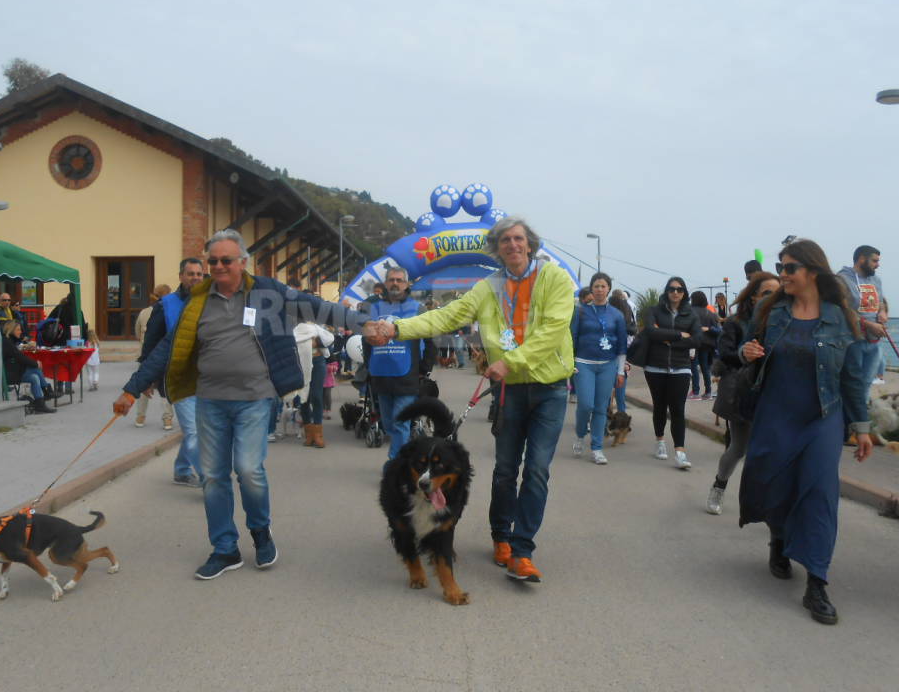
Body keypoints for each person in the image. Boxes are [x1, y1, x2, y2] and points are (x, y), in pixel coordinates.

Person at [113, 228, 367, 580]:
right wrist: (131, 389)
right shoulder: (198, 302)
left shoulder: (268, 293)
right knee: (214, 477)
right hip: (210, 401)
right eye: (212, 261)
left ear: (242, 262)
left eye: (225, 260)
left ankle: (261, 533)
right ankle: (224, 548)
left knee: (248, 470)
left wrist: (366, 323)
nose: (217, 266)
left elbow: (319, 308)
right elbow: (167, 348)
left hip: (255, 399)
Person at [366, 217, 574, 584]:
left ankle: (523, 551)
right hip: (509, 391)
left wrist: (510, 361)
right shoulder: (488, 287)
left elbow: (554, 330)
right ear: (497, 248)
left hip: (550, 389)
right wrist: (398, 327)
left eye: (518, 238)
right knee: (506, 470)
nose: (512, 244)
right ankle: (502, 538)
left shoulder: (554, 279)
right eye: (505, 240)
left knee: (537, 470)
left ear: (530, 244)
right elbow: (448, 316)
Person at [739, 239, 873, 625]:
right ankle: (779, 539)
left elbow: (852, 380)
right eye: (781, 268)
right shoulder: (771, 311)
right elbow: (744, 350)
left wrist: (861, 428)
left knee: (819, 494)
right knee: (775, 484)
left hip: (822, 417)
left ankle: (817, 582)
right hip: (775, 412)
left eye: (790, 268)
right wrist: (748, 352)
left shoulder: (841, 318)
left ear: (812, 271)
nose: (782, 275)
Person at [706, 271, 779, 515]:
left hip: (775, 395)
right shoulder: (737, 323)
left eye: (778, 293)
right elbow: (724, 354)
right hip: (742, 391)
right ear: (753, 298)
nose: (773, 298)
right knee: (739, 448)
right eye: (767, 293)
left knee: (774, 450)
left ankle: (769, 501)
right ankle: (719, 484)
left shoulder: (786, 323)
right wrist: (742, 354)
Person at [362, 266, 437, 464]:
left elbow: (430, 340)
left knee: (400, 421)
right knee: (388, 425)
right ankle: (407, 459)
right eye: (391, 280)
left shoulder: (417, 308)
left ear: (407, 284)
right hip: (381, 375)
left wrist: (424, 368)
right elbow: (366, 340)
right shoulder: (373, 309)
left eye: (399, 280)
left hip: (407, 375)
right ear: (386, 283)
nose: (395, 283)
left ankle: (396, 464)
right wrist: (369, 365)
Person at [139, 261, 205, 484]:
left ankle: (182, 469)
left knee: (201, 429)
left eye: (199, 274)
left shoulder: (209, 302)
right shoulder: (165, 305)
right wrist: (145, 378)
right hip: (176, 378)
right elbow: (151, 344)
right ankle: (211, 480)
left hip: (206, 378)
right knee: (195, 431)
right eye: (190, 274)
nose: (195, 278)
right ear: (181, 276)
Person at [641, 277, 701, 469]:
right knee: (659, 405)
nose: (676, 292)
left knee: (677, 408)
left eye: (680, 289)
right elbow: (650, 331)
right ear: (666, 291)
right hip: (655, 366)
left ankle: (680, 452)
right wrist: (678, 335)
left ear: (684, 293)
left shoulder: (691, 314)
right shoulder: (654, 310)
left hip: (681, 366)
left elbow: (697, 339)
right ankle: (660, 440)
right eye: (672, 289)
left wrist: (666, 338)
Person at [570, 272, 627, 465]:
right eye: (596, 286)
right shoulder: (580, 311)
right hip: (583, 363)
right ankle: (579, 435)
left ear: (609, 289)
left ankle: (596, 448)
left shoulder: (617, 315)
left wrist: (620, 371)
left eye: (603, 286)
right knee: (586, 405)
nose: (600, 290)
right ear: (591, 289)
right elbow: (572, 338)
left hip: (607, 365)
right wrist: (571, 363)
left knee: (601, 408)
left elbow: (621, 346)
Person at [836, 245, 888, 397]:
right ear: (861, 259)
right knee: (851, 383)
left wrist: (883, 311)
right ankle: (850, 418)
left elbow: (881, 302)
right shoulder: (842, 279)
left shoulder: (876, 280)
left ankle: (861, 416)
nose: (877, 264)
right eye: (874, 261)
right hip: (852, 340)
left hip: (874, 341)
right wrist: (868, 324)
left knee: (866, 383)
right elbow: (842, 309)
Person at [134, 284, 174, 431]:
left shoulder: (144, 312)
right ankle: (167, 419)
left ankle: (140, 417)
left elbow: (138, 333)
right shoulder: (169, 310)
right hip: (164, 355)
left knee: (143, 386)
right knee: (165, 388)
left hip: (146, 355)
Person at [1, 319, 55, 414]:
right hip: (9, 374)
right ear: (11, 330)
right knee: (35, 368)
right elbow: (20, 357)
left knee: (34, 378)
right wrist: (36, 363)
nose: (21, 331)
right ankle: (47, 391)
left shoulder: (9, 340)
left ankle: (41, 403)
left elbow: (18, 353)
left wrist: (25, 346)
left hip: (13, 371)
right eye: (18, 329)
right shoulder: (7, 342)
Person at [688, 291, 720, 401]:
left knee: (694, 367)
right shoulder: (710, 313)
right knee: (705, 367)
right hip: (707, 344)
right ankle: (708, 392)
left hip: (694, 343)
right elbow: (718, 330)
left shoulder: (691, 312)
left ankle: (695, 392)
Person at [609, 290, 636, 414]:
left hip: (607, 359)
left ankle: (605, 418)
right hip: (624, 358)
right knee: (620, 395)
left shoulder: (608, 313)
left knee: (604, 394)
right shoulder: (629, 309)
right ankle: (622, 419)